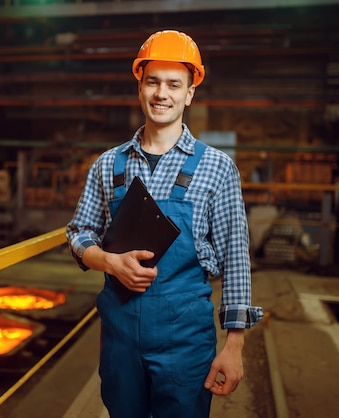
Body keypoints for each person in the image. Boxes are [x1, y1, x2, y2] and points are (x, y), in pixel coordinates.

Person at [66, 30, 264, 418]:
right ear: (140, 86)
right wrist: (108, 262)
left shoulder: (217, 167)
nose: (162, 93)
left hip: (185, 339)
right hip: (120, 336)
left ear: (190, 93)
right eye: (153, 82)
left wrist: (234, 346)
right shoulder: (109, 165)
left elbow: (236, 259)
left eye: (175, 84)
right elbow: (79, 231)